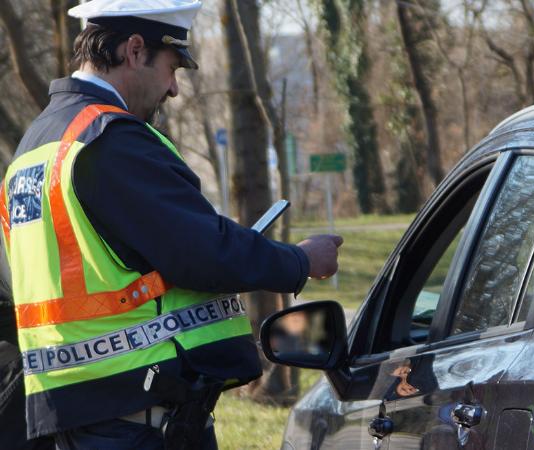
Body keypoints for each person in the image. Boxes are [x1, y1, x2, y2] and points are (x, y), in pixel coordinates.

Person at [0, 0, 343, 448]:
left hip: (79, 416)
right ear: (134, 50)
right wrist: (301, 261)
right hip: (138, 421)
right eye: (172, 67)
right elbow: (203, 251)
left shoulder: (34, 147)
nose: (174, 89)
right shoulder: (109, 139)